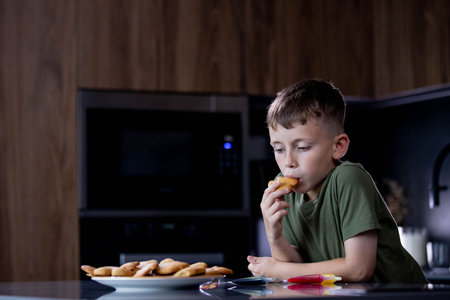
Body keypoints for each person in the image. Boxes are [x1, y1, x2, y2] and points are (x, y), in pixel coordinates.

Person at [247, 79, 427, 283]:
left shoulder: (348, 178)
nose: (288, 162)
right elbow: (297, 270)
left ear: (338, 146)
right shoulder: (288, 193)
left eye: (303, 147)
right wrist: (275, 236)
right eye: (279, 149)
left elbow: (359, 269)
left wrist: (277, 270)